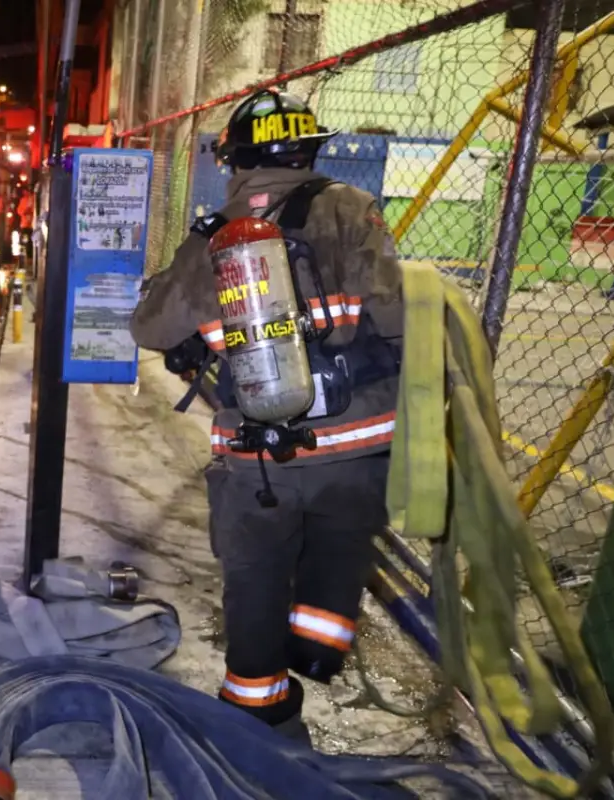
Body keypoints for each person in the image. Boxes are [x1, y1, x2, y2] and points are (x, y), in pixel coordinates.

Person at [130, 88, 404, 742]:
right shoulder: (351, 208)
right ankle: (315, 650)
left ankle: (261, 720)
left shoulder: (217, 235)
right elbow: (397, 320)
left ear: (234, 160)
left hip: (260, 459)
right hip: (357, 448)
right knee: (337, 555)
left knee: (253, 583)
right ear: (311, 149)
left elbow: (149, 326)